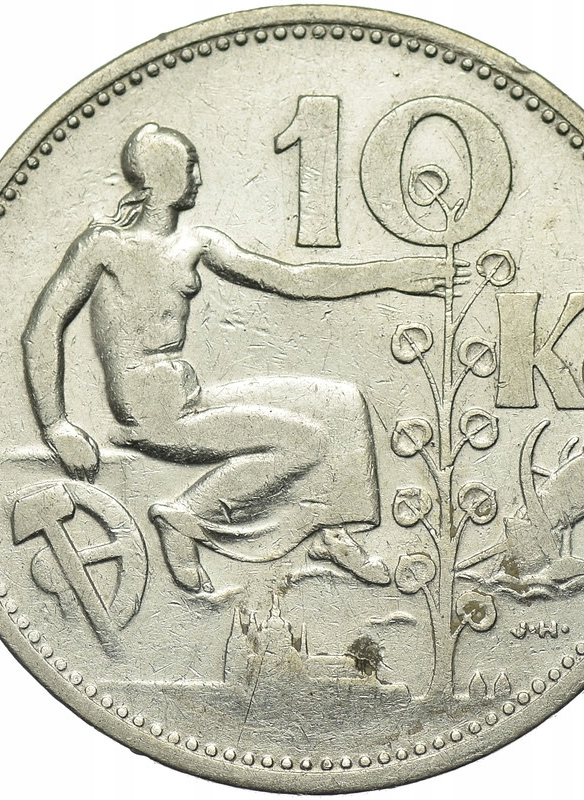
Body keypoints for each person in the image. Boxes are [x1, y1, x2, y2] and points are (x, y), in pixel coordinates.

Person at [23, 123, 445, 593]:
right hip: (149, 407)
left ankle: (330, 532)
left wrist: (390, 275)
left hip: (187, 392)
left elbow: (291, 279)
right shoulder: (105, 245)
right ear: (162, 176)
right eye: (190, 167)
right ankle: (185, 516)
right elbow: (43, 327)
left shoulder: (196, 242)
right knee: (304, 443)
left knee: (340, 401)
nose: (199, 178)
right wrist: (55, 426)